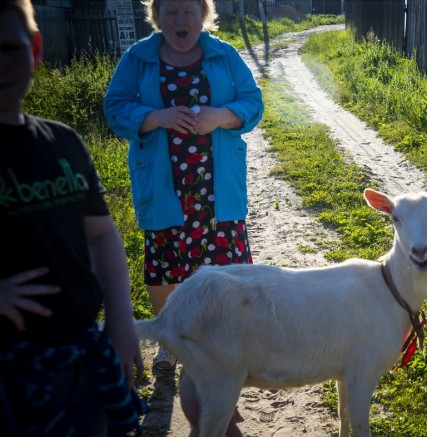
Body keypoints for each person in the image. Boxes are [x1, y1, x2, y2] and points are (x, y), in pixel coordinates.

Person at [103, 0, 263, 434]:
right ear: (156, 16)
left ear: (203, 14)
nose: (180, 20)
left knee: (227, 271)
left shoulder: (224, 54)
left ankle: (224, 348)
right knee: (164, 265)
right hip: (164, 184)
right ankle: (170, 345)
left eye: (188, 10)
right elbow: (114, 106)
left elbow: (253, 100)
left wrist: (221, 116)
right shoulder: (138, 58)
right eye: (170, 11)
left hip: (217, 189)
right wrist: (152, 116)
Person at [0, 0, 145, 435]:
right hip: (10, 374)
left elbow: (100, 235)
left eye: (8, 47)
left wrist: (120, 318)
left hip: (84, 355)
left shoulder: (62, 142)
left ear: (36, 49)